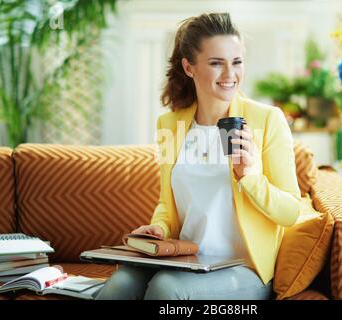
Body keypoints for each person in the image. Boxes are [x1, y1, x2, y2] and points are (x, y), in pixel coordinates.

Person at [96, 12, 301, 300]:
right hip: (188, 262)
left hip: (244, 269)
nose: (231, 75)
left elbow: (291, 212)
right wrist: (159, 227)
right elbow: (168, 205)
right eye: (216, 63)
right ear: (189, 67)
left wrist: (251, 177)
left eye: (237, 62)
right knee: (120, 284)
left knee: (167, 289)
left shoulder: (265, 120)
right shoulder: (171, 125)